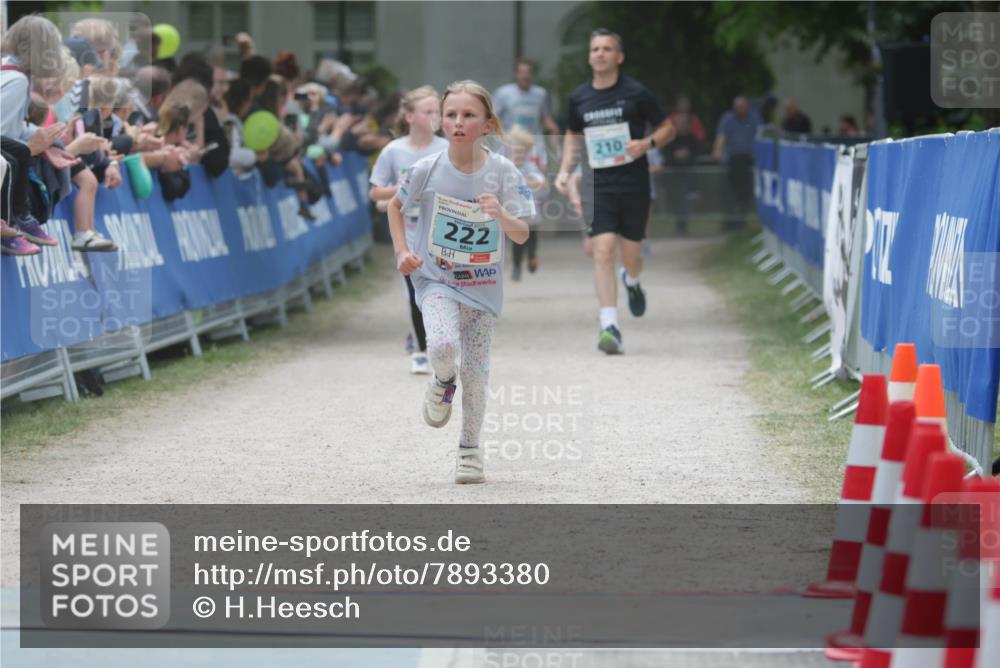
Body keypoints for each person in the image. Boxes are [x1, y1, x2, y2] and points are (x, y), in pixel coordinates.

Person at [387, 81, 533, 484]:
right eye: (450, 115)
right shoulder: (427, 168)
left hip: (483, 288)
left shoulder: (504, 172)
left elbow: (521, 233)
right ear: (440, 121)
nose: (457, 122)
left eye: (468, 115)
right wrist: (402, 252)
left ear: (487, 124)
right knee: (443, 346)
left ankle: (469, 449)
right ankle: (442, 379)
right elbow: (394, 207)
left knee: (477, 372)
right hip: (435, 280)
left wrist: (500, 214)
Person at [554, 28, 675, 355]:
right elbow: (572, 135)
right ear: (590, 56)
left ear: (619, 57)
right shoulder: (579, 97)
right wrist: (565, 170)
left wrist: (646, 144)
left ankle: (632, 282)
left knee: (631, 256)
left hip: (633, 183)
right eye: (595, 49)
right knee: (603, 249)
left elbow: (668, 128)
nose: (600, 54)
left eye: (607, 49)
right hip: (599, 186)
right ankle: (610, 326)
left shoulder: (637, 93)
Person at [369, 85, 448, 375]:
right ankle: (422, 349)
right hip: (408, 232)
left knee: (442, 289)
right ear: (409, 116)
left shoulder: (445, 148)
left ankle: (439, 341)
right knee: (415, 289)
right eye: (428, 112)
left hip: (441, 231)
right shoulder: (394, 150)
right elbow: (375, 192)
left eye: (437, 112)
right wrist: (405, 189)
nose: (434, 117)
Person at [492, 59, 560, 167]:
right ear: (516, 74)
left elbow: (546, 119)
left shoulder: (540, 94)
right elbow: (492, 119)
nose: (525, 76)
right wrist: (502, 138)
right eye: (522, 72)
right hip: (511, 145)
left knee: (536, 178)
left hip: (533, 145)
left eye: (528, 72)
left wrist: (555, 136)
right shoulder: (503, 93)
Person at [505, 125, 548, 281]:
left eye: (522, 152)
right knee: (517, 242)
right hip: (515, 214)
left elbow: (540, 181)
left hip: (531, 213)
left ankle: (532, 257)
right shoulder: (506, 167)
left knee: (532, 241)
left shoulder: (530, 167)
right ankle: (516, 267)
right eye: (516, 152)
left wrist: (528, 183)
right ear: (510, 151)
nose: (519, 156)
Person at [712, 95, 760, 230]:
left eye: (743, 107)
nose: (740, 110)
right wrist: (717, 150)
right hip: (732, 162)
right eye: (738, 107)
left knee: (745, 193)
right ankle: (729, 220)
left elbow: (760, 135)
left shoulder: (754, 118)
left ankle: (741, 219)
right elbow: (721, 136)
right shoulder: (728, 118)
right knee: (729, 192)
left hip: (748, 162)